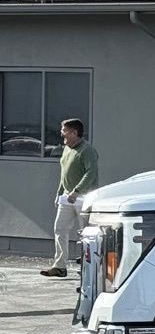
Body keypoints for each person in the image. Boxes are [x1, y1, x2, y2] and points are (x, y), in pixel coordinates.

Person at [40, 118, 98, 278]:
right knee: (60, 229)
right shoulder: (67, 149)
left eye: (64, 130)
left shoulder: (87, 150)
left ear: (74, 132)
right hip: (66, 197)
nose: (61, 133)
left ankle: (89, 268)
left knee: (87, 233)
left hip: (83, 197)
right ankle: (59, 266)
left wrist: (76, 191)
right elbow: (64, 173)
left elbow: (91, 173)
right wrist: (60, 193)